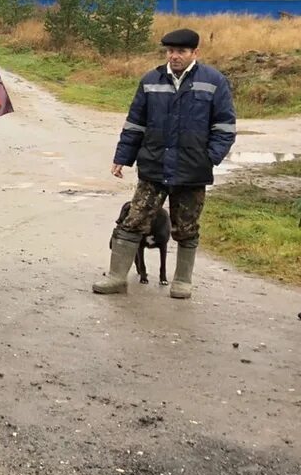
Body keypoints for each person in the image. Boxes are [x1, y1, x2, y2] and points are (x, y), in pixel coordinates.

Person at [94, 28, 236, 298]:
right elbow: (135, 123)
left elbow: (225, 126)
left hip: (192, 170)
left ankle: (182, 281)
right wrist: (122, 157)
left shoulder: (214, 81)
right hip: (154, 167)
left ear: (195, 53)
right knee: (133, 221)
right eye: (170, 51)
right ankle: (116, 277)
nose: (174, 56)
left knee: (186, 227)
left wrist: (210, 158)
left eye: (181, 52)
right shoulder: (151, 80)